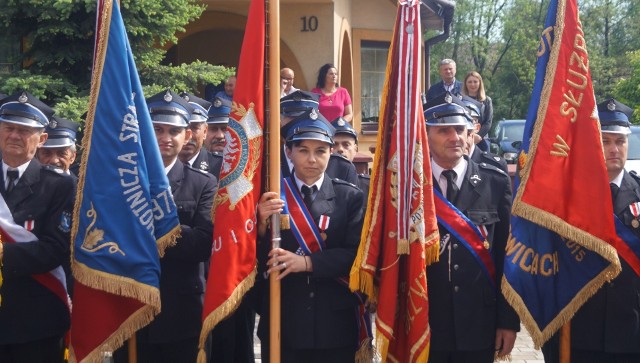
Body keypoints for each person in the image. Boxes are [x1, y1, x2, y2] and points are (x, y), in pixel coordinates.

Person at [115, 89, 216, 362]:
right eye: (157, 129)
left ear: (187, 136)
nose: (165, 138)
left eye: (174, 131)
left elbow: (202, 244)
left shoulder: (203, 184)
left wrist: (148, 224)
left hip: (180, 312)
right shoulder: (123, 181)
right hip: (131, 307)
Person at [255, 109, 365, 363]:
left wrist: (306, 263)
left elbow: (355, 255)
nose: (312, 159)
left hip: (333, 323)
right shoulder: (272, 195)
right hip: (285, 317)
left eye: (320, 151)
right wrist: (259, 225)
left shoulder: (350, 197)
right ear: (289, 152)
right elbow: (247, 258)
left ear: (331, 152)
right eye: (303, 150)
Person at [542, 99, 640, 363]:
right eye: (605, 141)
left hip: (630, 332)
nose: (614, 149)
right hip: (577, 331)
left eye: (619, 141)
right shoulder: (566, 198)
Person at [424, 92, 519, 363]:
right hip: (425, 323)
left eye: (460, 130)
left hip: (480, 322)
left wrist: (508, 321)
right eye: (444, 131)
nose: (454, 137)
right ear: (427, 136)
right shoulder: (411, 186)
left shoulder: (495, 182)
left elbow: (507, 258)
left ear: (471, 136)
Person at [0, 91, 76, 363]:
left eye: (24, 131)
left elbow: (56, 249)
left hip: (35, 322)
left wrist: (1, 255)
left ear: (42, 139)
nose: (14, 136)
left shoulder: (59, 185)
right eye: (9, 128)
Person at [280, 90, 359, 186]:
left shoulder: (342, 167)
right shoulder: (266, 163)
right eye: (292, 121)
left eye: (304, 121)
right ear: (280, 122)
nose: (297, 127)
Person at [178, 91, 221, 177]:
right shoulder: (157, 166)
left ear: (205, 131)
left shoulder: (221, 166)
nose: (188, 135)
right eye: (182, 128)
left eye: (194, 127)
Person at [460, 95, 507, 172]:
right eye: (462, 121)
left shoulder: (495, 164)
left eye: (471, 121)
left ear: (477, 127)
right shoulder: (442, 161)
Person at [330, 116, 370, 206]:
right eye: (334, 144)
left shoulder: (369, 186)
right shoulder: (316, 185)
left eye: (346, 144)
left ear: (356, 149)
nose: (340, 149)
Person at [461, 71, 493, 140]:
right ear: (465, 84)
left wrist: (478, 136)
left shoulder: (487, 100)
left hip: (481, 138)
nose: (472, 84)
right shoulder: (460, 100)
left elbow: (488, 122)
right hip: (464, 138)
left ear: (480, 83)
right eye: (469, 82)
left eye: (475, 82)